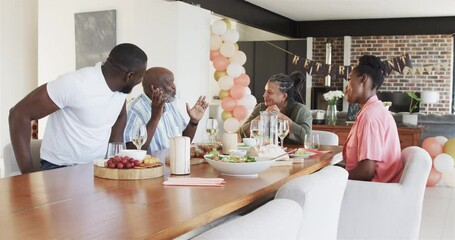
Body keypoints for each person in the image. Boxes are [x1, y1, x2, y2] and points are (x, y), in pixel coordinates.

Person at [9, 43, 148, 173]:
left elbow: (120, 116)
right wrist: (27, 174)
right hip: (59, 169)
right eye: (141, 77)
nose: (141, 81)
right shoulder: (75, 84)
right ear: (129, 76)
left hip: (96, 168)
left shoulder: (120, 90)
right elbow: (18, 114)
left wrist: (114, 156)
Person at [343, 55, 403, 182]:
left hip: (373, 190)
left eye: (349, 79)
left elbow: (366, 172)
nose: (346, 87)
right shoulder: (374, 110)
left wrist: (334, 176)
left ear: (363, 79)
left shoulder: (370, 116)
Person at [124, 67, 208, 152]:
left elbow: (184, 140)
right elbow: (133, 149)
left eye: (173, 82)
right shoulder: (135, 109)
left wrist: (193, 121)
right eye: (169, 82)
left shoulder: (170, 105)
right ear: (154, 88)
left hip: (174, 161)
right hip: (153, 164)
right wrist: (155, 118)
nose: (174, 86)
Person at [240, 73, 312, 144]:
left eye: (270, 92)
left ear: (284, 96)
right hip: (265, 153)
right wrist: (263, 116)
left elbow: (307, 139)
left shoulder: (301, 110)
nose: (264, 95)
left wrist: (280, 116)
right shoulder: (261, 107)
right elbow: (243, 133)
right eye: (265, 91)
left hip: (292, 153)